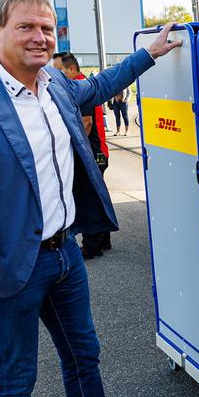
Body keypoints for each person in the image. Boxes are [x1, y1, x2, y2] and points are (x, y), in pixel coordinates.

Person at [0, 0, 180, 397]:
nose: (40, 36)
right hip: (9, 265)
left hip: (65, 255)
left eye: (47, 28)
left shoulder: (55, 81)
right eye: (26, 27)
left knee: (84, 356)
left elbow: (98, 85)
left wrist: (149, 54)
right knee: (16, 379)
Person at [53, 52, 112, 259]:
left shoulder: (81, 88)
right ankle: (103, 240)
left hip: (93, 152)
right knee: (97, 193)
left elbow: (85, 124)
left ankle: (91, 245)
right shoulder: (79, 86)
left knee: (88, 196)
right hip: (98, 151)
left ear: (71, 69)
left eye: (59, 70)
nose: (55, 76)